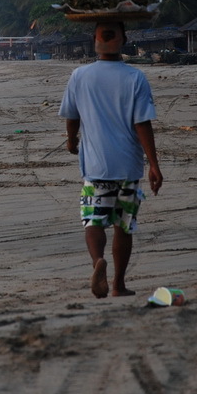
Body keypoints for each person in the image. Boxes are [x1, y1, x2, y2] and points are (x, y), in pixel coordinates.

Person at [59, 21, 163, 298]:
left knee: (93, 220)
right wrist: (153, 164)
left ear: (94, 40)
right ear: (124, 40)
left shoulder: (79, 76)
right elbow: (142, 123)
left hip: (95, 166)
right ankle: (118, 285)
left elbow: (72, 117)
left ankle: (98, 262)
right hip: (128, 165)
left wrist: (72, 142)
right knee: (123, 225)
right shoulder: (134, 77)